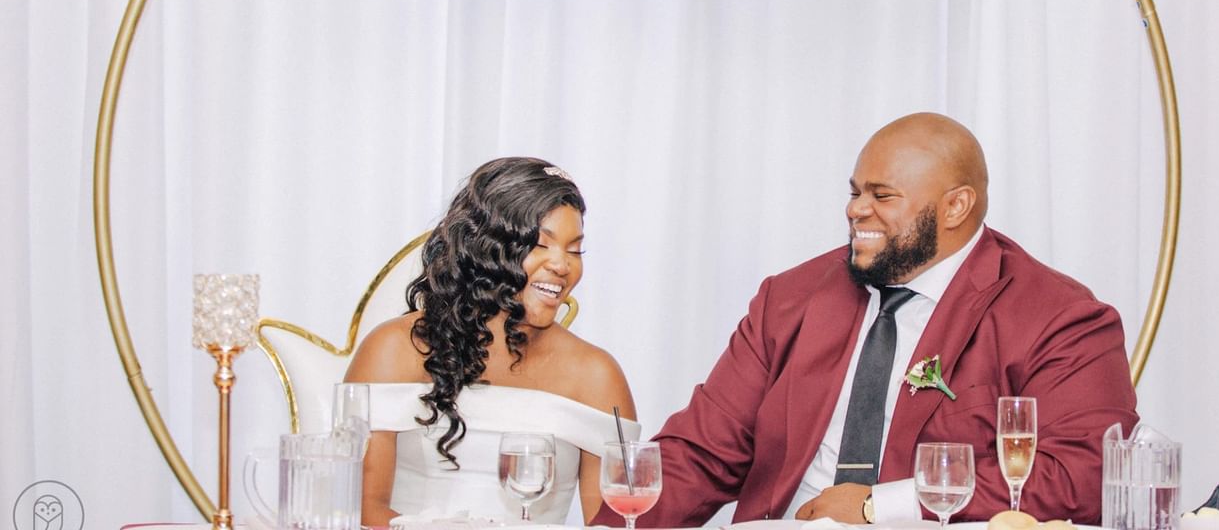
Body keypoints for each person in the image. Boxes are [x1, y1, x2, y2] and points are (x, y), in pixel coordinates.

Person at [594, 113, 1138, 527]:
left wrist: (881, 506)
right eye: (855, 192)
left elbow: (1084, 473)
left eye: (882, 196)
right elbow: (701, 453)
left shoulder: (1059, 318)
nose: (856, 210)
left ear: (956, 207)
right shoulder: (789, 298)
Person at [346, 157, 638, 527]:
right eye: (541, 244)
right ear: (484, 249)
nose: (563, 266)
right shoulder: (395, 349)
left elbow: (616, 523)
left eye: (574, 250)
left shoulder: (596, 375)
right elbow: (358, 510)